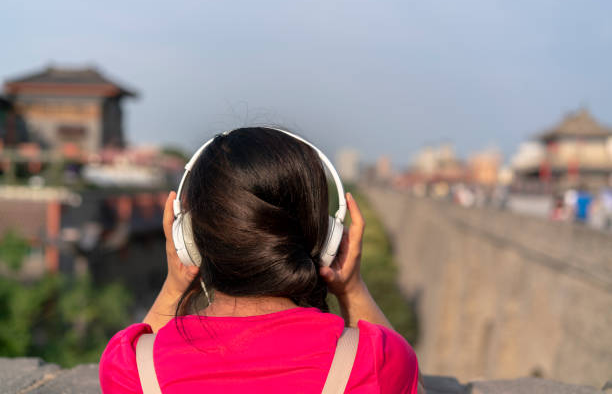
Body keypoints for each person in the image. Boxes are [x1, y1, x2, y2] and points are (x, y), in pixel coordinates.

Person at [99, 127, 422, 393]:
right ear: (325, 239)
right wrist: (351, 288)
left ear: (189, 240)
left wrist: (174, 285)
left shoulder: (130, 365)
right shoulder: (376, 361)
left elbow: (148, 351)